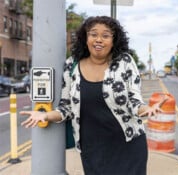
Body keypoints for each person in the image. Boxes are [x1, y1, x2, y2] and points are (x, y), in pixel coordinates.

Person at [21, 16, 164, 175]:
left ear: (114, 40)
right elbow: (66, 107)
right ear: (86, 38)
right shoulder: (72, 65)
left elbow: (134, 100)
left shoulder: (124, 61)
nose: (99, 40)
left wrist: (146, 109)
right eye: (94, 34)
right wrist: (45, 115)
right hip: (92, 148)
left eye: (106, 35)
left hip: (127, 144)